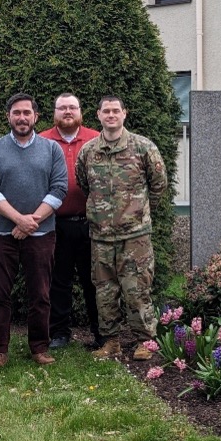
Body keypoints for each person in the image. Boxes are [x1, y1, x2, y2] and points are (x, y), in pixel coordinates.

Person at [0, 93, 67, 368]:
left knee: (40, 294)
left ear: (36, 116)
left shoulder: (52, 149)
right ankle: (0, 351)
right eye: (16, 113)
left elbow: (59, 188)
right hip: (0, 234)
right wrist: (19, 219)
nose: (22, 117)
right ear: (8, 117)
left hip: (41, 234)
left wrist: (33, 222)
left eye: (27, 112)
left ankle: (39, 347)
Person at [75, 95, 167, 360]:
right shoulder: (89, 151)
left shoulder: (143, 147)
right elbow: (84, 184)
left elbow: (158, 185)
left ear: (124, 114)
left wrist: (138, 212)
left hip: (135, 236)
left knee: (137, 289)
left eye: (116, 110)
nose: (111, 115)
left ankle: (145, 342)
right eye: (106, 111)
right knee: (104, 291)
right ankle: (111, 341)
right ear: (99, 115)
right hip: (101, 236)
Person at [39, 93, 102, 350]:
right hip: (55, 223)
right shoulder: (42, 141)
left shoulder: (96, 139)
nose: (67, 112)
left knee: (94, 281)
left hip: (90, 223)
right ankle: (60, 333)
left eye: (72, 107)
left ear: (80, 111)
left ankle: (100, 334)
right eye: (62, 108)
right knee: (58, 281)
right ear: (54, 112)